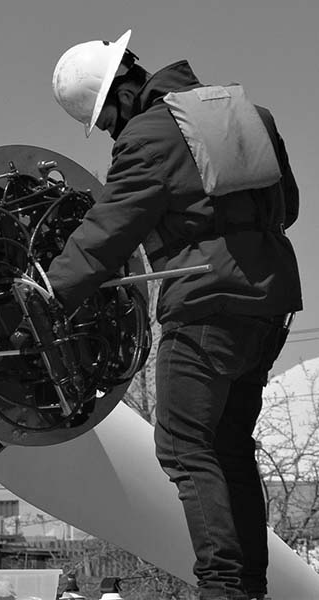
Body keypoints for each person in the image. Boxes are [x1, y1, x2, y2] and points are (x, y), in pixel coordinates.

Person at [49, 30, 301, 600]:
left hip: (207, 306)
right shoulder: (248, 114)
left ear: (119, 93)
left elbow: (105, 236)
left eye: (106, 120)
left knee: (184, 446)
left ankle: (222, 587)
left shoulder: (148, 136)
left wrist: (46, 294)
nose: (112, 131)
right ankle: (247, 588)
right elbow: (287, 208)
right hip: (270, 305)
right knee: (229, 445)